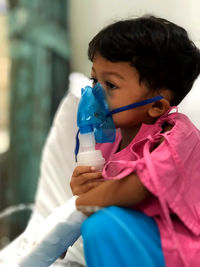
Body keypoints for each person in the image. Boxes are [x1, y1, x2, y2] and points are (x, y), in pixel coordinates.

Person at [70, 15, 200, 267]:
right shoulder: (108, 142)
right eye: (94, 80)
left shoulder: (177, 136)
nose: (93, 93)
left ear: (156, 106)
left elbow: (136, 187)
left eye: (110, 84)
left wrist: (75, 208)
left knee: (102, 226)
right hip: (137, 242)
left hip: (178, 250)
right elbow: (100, 199)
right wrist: (82, 189)